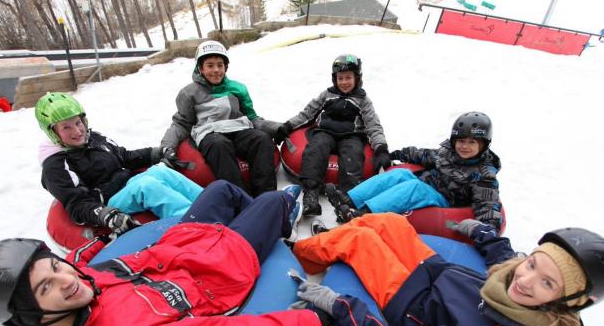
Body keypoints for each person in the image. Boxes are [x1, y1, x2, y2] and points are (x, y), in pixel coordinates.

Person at [0, 181, 329, 326]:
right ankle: (283, 213)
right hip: (220, 271)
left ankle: (268, 227)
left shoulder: (79, 287)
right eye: (45, 288)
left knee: (221, 189)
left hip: (179, 247)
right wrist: (316, 321)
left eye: (56, 266)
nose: (67, 280)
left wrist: (114, 244)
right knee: (275, 198)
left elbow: (105, 266)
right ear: (29, 316)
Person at [293, 213, 604, 326]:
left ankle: (296, 254)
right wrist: (485, 233)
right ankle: (324, 243)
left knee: (360, 240)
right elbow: (510, 262)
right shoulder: (524, 289)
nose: (524, 279)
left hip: (412, 302)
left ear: (567, 302)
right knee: (390, 223)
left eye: (546, 282)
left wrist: (340, 306)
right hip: (439, 274)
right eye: (533, 264)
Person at [36, 92, 203, 236]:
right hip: (107, 201)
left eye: (78, 123)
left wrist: (156, 152)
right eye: (66, 127)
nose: (77, 131)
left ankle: (210, 203)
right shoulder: (56, 164)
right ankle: (197, 225)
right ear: (53, 132)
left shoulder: (94, 138)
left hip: (127, 184)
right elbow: (76, 204)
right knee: (147, 186)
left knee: (161, 173)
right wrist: (104, 214)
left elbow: (123, 156)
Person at [324, 112, 502, 228]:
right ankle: (349, 200)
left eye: (472, 142)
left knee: (415, 188)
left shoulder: (484, 173)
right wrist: (401, 153)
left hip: (447, 201)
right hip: (428, 183)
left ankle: (363, 215)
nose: (465, 147)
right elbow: (424, 155)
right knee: (401, 174)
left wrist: (489, 228)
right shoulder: (448, 153)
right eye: (461, 141)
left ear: (484, 144)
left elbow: (488, 202)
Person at [274, 54, 389, 216]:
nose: (344, 82)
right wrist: (288, 126)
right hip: (325, 132)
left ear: (357, 78)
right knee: (316, 148)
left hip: (352, 136)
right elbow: (307, 113)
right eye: (340, 78)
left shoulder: (363, 100)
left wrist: (381, 149)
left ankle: (348, 197)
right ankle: (311, 195)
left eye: (348, 77)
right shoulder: (327, 95)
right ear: (335, 79)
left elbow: (373, 126)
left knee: (353, 154)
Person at [161, 40, 278, 197]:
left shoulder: (238, 88)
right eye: (210, 65)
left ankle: (267, 198)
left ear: (225, 67)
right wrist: (167, 147)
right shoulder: (188, 93)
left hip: (238, 130)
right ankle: (240, 200)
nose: (216, 70)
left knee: (261, 139)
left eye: (220, 65)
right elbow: (180, 124)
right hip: (209, 134)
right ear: (200, 68)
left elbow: (252, 117)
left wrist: (277, 128)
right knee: (220, 145)